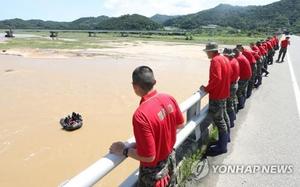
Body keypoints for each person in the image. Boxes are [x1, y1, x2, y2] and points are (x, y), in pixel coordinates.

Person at [110, 66, 184, 187]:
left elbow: (148, 157)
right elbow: (180, 124)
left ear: (134, 86)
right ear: (154, 82)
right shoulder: (168, 98)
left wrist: (124, 150)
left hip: (154, 174)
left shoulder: (141, 115)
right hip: (170, 159)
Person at [200, 42, 232, 156]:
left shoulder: (215, 61)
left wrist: (206, 89)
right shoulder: (224, 59)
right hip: (224, 93)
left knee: (219, 120)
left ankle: (222, 147)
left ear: (211, 51)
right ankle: (226, 139)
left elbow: (217, 78)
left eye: (207, 52)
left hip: (217, 95)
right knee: (223, 117)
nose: (206, 54)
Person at [223, 48, 240, 129]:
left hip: (231, 86)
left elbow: (226, 77)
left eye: (224, 55)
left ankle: (231, 122)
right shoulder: (235, 60)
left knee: (229, 105)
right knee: (232, 102)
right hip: (235, 83)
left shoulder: (230, 63)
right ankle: (234, 118)